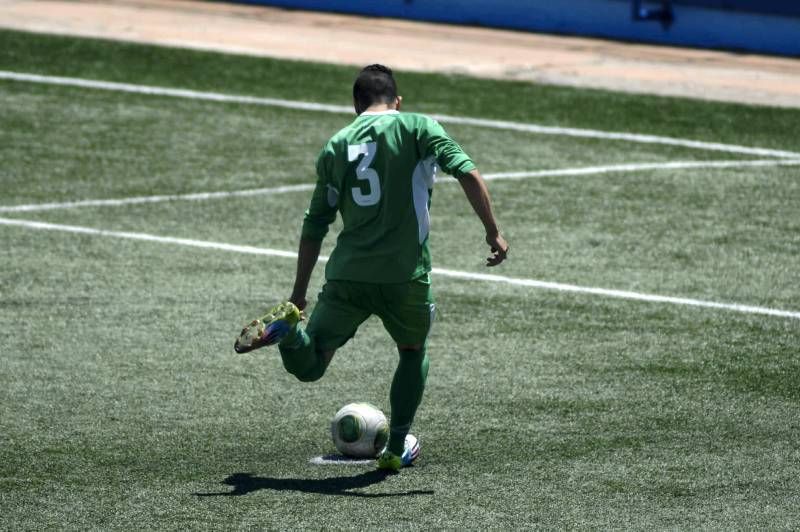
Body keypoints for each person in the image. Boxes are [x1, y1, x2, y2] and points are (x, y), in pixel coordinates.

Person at [234, 64, 508, 471]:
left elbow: (315, 225)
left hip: (348, 276)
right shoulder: (418, 127)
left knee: (311, 365)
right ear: (397, 101)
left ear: (355, 105)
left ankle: (290, 336)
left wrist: (297, 294)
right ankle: (396, 448)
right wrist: (493, 232)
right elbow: (466, 171)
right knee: (413, 351)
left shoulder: (335, 146)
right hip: (405, 277)